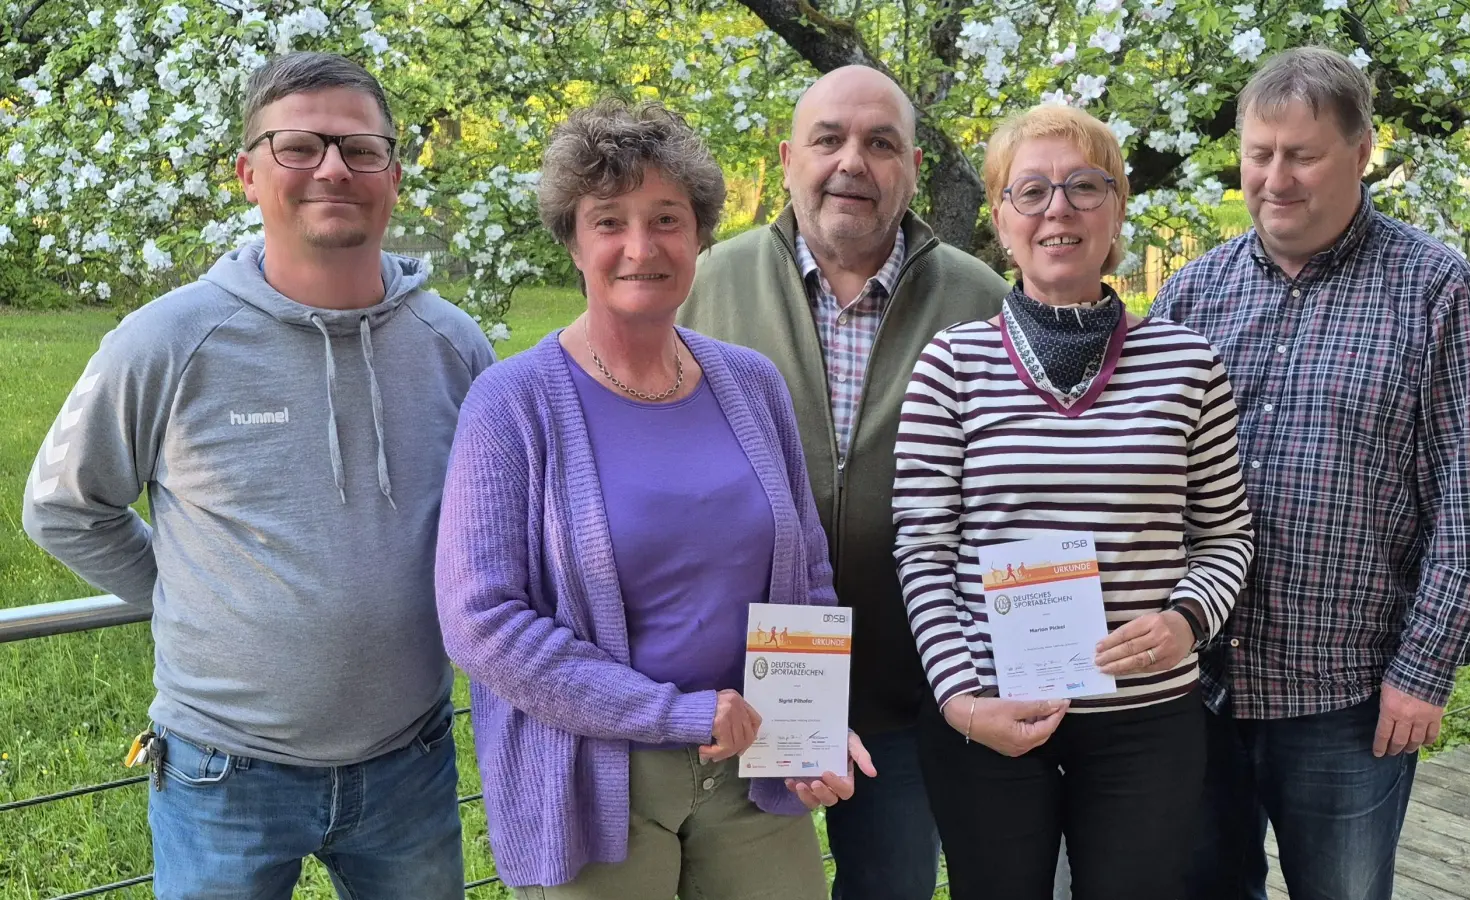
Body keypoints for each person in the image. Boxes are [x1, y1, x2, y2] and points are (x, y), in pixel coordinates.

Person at [21, 52, 495, 899]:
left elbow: (492, 525)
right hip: (222, 773)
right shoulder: (164, 341)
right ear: (247, 173)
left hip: (410, 762)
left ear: (393, 173)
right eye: (299, 147)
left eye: (361, 149)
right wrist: (186, 593)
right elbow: (63, 507)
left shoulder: (454, 345)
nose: (333, 170)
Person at [434, 99, 871, 900]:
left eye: (666, 218)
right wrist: (674, 713)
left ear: (701, 234)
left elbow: (805, 573)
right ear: (572, 239)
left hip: (754, 773)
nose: (641, 247)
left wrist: (811, 726)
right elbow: (481, 622)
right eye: (609, 221)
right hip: (594, 782)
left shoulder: (751, 383)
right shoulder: (512, 403)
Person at [1150, 48, 1470, 900]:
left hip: (1347, 700)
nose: (1274, 178)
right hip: (1194, 692)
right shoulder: (1190, 297)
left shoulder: (1439, 295)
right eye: (1258, 153)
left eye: (1302, 154)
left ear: (1361, 152)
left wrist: (1424, 674)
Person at [892, 102, 1256, 900]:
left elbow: (1227, 535)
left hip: (1146, 722)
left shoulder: (1188, 365)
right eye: (1032, 191)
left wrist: (1187, 619)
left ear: (1118, 207)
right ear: (1001, 217)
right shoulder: (951, 366)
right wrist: (959, 701)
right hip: (989, 715)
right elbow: (921, 549)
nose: (1058, 209)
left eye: (1085, 186)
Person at [679, 64, 1010, 900]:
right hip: (744, 683)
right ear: (790, 157)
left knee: (890, 886)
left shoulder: (980, 298)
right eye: (829, 139)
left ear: (912, 168)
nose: (851, 162)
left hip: (913, 687)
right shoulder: (706, 281)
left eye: (880, 143)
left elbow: (1018, 481)